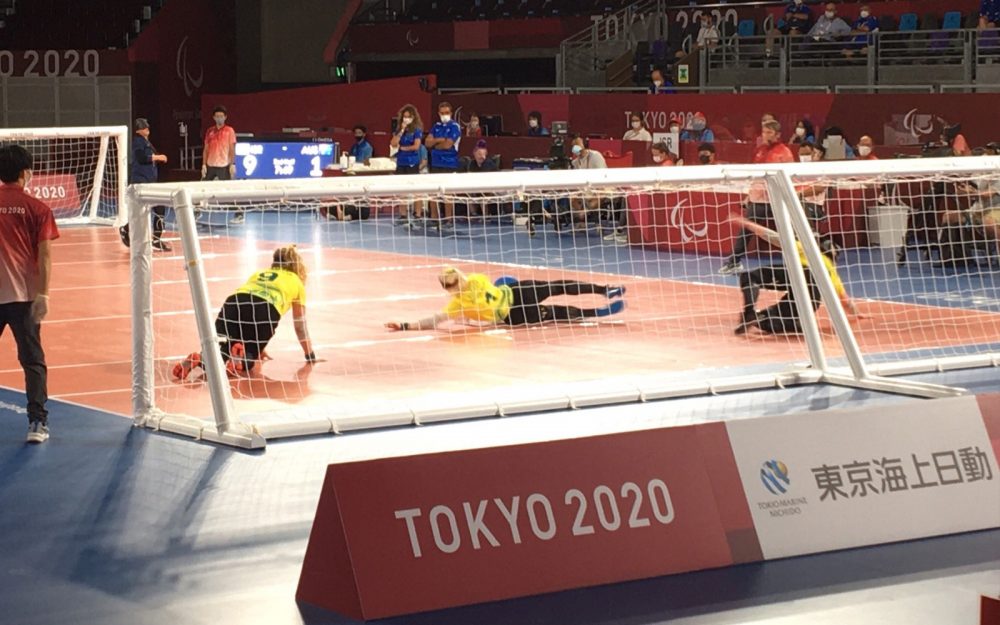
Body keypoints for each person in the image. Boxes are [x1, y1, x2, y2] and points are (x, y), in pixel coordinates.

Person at [173, 245, 316, 380]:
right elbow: (300, 326)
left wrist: (262, 346)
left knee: (219, 348)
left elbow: (250, 299)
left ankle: (201, 359)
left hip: (233, 303)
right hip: (265, 309)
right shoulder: (296, 282)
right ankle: (241, 359)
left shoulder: (260, 273)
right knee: (249, 353)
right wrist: (310, 355)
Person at [0, 144, 59, 443]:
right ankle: (37, 423)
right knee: (32, 359)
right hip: (24, 298)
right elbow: (45, 255)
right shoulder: (38, 209)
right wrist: (44, 295)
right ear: (26, 173)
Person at [730, 215, 861, 335]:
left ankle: (749, 313)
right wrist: (858, 314)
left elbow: (771, 236)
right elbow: (846, 301)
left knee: (751, 277)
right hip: (811, 302)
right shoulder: (832, 271)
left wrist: (747, 224)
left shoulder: (809, 250)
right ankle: (778, 320)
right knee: (771, 321)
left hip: (802, 276)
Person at [384, 267, 625, 331]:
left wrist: (406, 325)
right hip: (514, 304)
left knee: (557, 297)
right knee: (558, 304)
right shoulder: (467, 292)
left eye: (456, 279)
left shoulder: (467, 292)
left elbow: (434, 321)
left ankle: (602, 297)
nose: (459, 282)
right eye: (454, 281)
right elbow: (435, 319)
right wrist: (406, 325)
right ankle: (600, 303)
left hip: (514, 302)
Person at [720, 120, 795, 275]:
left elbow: (790, 177)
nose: (765, 135)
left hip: (777, 199)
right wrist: (748, 196)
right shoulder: (759, 151)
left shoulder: (785, 152)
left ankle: (799, 261)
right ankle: (734, 262)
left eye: (769, 132)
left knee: (788, 231)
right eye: (763, 132)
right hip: (758, 199)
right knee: (746, 230)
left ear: (778, 134)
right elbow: (755, 176)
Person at [119, 118, 171, 252]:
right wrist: (158, 157)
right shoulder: (138, 142)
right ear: (138, 130)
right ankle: (126, 229)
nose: (147, 128)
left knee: (158, 208)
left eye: (147, 126)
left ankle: (156, 238)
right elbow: (141, 158)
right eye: (144, 127)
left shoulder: (147, 142)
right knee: (141, 212)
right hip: (141, 182)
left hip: (150, 181)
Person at [425, 101, 462, 230]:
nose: (444, 115)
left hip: (449, 163)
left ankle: (448, 219)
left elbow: (448, 145)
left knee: (447, 193)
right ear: (438, 113)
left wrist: (436, 144)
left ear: (451, 113)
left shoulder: (455, 126)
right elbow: (427, 143)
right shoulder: (436, 126)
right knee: (433, 191)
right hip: (435, 163)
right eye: (442, 113)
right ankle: (434, 218)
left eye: (447, 113)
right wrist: (440, 140)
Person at [202, 105, 240, 222]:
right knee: (201, 189)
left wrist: (232, 164)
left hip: (224, 165)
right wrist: (203, 164)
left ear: (225, 117)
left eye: (221, 116)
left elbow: (232, 148)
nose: (219, 118)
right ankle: (197, 212)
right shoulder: (210, 131)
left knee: (228, 191)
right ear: (213, 117)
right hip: (210, 165)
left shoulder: (229, 131)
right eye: (217, 116)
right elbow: (206, 149)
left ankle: (239, 214)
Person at [391, 105, 425, 227]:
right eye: (404, 117)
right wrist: (401, 130)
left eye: (408, 117)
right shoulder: (399, 129)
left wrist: (404, 148)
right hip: (401, 162)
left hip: (412, 162)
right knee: (402, 189)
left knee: (415, 189)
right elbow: (393, 143)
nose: (406, 119)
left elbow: (416, 146)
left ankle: (417, 214)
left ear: (413, 117)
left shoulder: (416, 130)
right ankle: (403, 215)